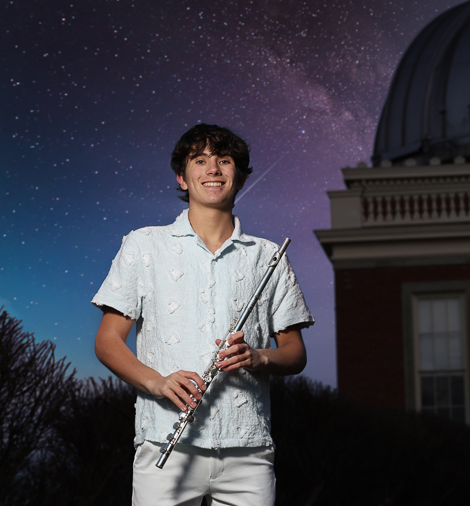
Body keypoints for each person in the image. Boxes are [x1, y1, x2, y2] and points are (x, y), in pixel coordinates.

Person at [93, 123, 314, 506]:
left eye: (224, 161)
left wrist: (260, 357)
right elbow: (107, 342)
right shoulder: (144, 244)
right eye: (200, 160)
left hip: (247, 449)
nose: (212, 170)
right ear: (182, 176)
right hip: (166, 442)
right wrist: (157, 383)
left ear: (240, 177)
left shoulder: (268, 256)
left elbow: (295, 353)